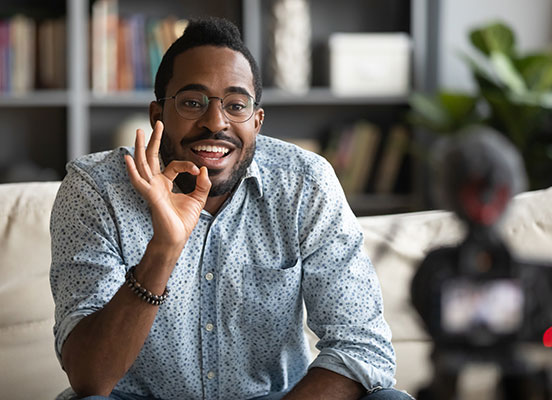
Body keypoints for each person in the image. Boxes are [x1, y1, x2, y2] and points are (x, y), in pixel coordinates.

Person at [50, 17, 412, 400]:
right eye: (192, 103)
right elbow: (90, 378)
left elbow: (361, 346)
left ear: (256, 122)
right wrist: (164, 248)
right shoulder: (96, 188)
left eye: (236, 105)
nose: (215, 122)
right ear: (158, 116)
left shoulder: (304, 182)